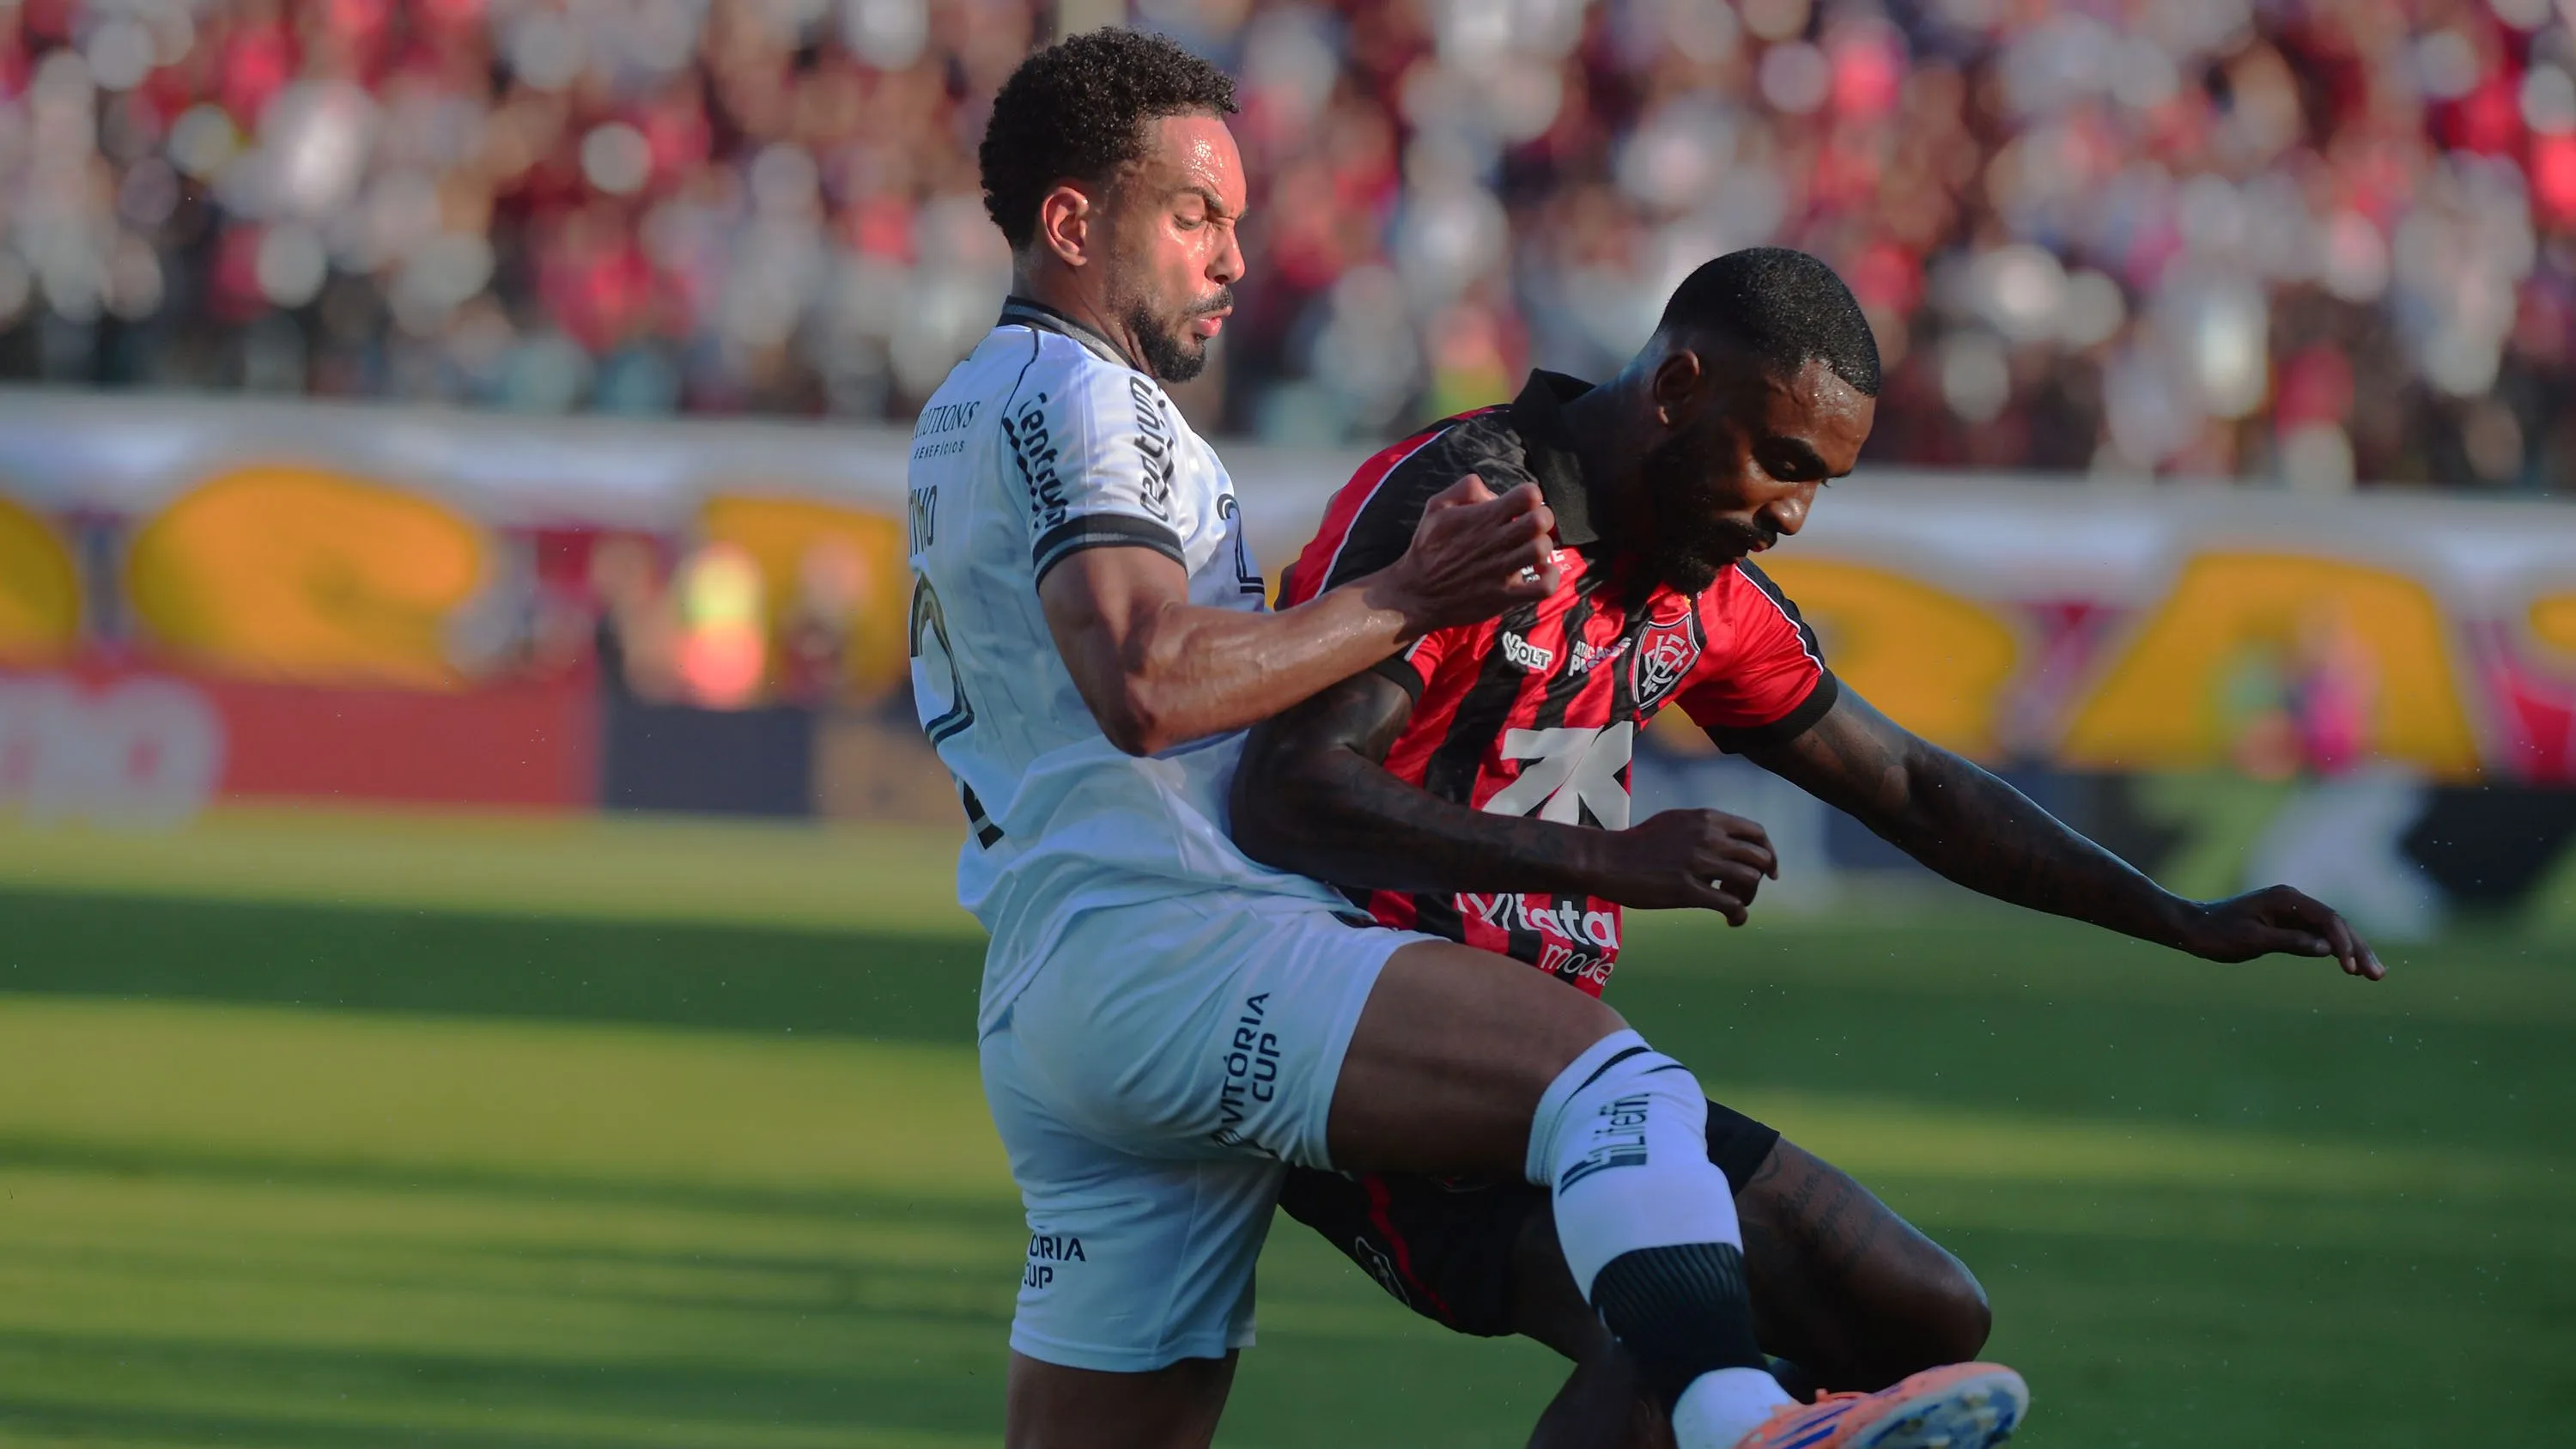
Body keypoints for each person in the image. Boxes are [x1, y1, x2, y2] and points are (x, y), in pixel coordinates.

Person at [910, 30, 2025, 1449]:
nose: (1234, 259)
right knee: (1611, 1085)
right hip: (1174, 951)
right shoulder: (1082, 395)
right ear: (1073, 223)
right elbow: (1149, 683)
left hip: (1059, 987)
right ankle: (1747, 1419)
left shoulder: (968, 410)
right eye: (1195, 217)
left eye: (1238, 222)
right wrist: (1404, 596)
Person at [1230, 245, 2387, 1449]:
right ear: (1675, 389)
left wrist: (2182, 917)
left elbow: (1913, 787)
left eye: (1821, 482)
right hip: (1362, 1045)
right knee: (1680, 1330)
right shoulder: (1470, 506)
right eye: (1781, 463)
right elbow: (1284, 791)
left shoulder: (1698, 588)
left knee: (1920, 1315)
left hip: (1553, 1073)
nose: (1791, 513)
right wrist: (1603, 865)